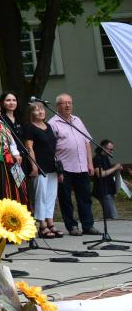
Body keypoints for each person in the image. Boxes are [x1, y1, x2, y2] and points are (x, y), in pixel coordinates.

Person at [48, 94, 99, 236]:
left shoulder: (77, 120)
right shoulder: (53, 123)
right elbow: (50, 148)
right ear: (57, 106)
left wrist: (90, 163)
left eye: (70, 102)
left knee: (85, 198)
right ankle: (72, 226)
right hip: (64, 168)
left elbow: (87, 142)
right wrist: (57, 170)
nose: (67, 105)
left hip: (82, 166)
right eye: (64, 103)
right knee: (65, 200)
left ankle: (88, 226)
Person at [21, 101, 61, 238]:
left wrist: (59, 169)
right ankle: (42, 224)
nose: (41, 112)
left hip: (52, 166)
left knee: (51, 195)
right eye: (37, 110)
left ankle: (50, 222)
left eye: (42, 110)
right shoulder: (29, 127)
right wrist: (34, 166)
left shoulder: (48, 126)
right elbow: (29, 148)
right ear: (31, 113)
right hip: (40, 166)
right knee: (41, 195)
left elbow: (53, 146)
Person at [93, 140, 122, 221]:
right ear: (103, 148)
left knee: (110, 216)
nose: (111, 151)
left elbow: (108, 173)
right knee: (112, 216)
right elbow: (100, 174)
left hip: (108, 190)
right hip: (104, 191)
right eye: (110, 149)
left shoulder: (105, 158)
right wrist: (115, 168)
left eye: (112, 149)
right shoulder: (97, 158)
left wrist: (117, 170)